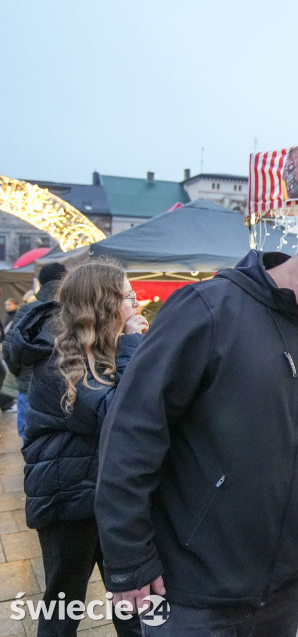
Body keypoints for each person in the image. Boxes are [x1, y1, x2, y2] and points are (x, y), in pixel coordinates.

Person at [94, 216, 298, 636]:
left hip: (286, 591)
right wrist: (128, 559)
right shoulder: (206, 311)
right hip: (193, 591)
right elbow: (131, 437)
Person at [13, 260, 147, 637]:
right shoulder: (59, 357)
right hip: (68, 498)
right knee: (64, 604)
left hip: (109, 495)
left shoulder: (105, 347)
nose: (136, 303)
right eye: (127, 296)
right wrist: (132, 345)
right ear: (103, 304)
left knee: (133, 603)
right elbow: (118, 418)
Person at [4, 262, 67, 442]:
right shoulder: (74, 309)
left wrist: (19, 372)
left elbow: (9, 348)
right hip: (67, 385)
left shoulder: (28, 310)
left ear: (40, 282)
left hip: (29, 384)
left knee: (29, 438)